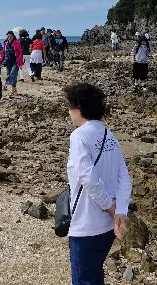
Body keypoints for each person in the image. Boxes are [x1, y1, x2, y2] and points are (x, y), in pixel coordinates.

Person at [63, 82, 131, 285]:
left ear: (79, 109)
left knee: (84, 279)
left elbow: (88, 178)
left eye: (70, 107)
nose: (69, 112)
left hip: (86, 225)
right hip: (107, 229)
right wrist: (120, 212)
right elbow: (124, 177)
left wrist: (110, 207)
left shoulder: (79, 136)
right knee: (94, 275)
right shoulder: (109, 135)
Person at [1, 31, 24, 95]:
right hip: (8, 62)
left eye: (10, 36)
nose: (9, 37)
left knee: (12, 74)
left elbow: (20, 53)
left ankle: (5, 84)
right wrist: (1, 60)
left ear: (13, 36)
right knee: (10, 75)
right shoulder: (5, 43)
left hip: (15, 62)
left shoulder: (17, 43)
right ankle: (14, 89)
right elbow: (3, 52)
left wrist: (20, 61)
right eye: (8, 36)